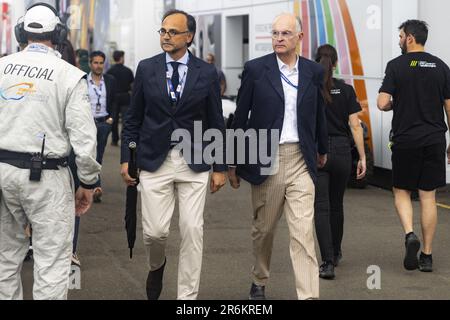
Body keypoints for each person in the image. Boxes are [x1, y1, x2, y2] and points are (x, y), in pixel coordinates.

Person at [120, 9, 227, 300]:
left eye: (173, 32)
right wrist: (127, 157)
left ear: (189, 37)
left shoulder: (206, 73)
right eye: (163, 31)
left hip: (195, 162)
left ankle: (186, 299)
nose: (166, 36)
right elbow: (133, 118)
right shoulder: (146, 68)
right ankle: (157, 265)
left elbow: (216, 121)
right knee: (155, 233)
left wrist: (220, 166)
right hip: (154, 160)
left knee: (193, 230)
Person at [0, 3, 100, 300]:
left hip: (3, 173)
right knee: (52, 262)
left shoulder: (1, 68)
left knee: (4, 260)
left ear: (21, 32)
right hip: (46, 177)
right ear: (58, 34)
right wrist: (88, 182)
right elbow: (84, 138)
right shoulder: (69, 75)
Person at [228, 13, 328, 300]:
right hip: (266, 159)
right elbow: (241, 116)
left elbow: (318, 113)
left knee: (302, 233)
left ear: (299, 37)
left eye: (285, 34)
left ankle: (308, 296)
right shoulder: (256, 69)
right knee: (264, 230)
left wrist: (321, 149)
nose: (279, 39)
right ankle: (259, 277)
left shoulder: (312, 72)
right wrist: (231, 161)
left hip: (300, 159)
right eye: (274, 34)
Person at [378, 20, 450, 273]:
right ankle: (427, 256)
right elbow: (449, 108)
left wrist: (394, 103)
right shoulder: (441, 67)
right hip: (434, 139)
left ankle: (410, 234)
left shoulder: (396, 66)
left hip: (406, 140)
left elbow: (381, 102)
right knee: (428, 195)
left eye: (400, 36)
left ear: (409, 38)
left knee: (401, 191)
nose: (399, 40)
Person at [313, 44, 366, 280]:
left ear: (317, 62)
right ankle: (336, 253)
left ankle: (326, 262)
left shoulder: (311, 88)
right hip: (343, 152)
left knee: (321, 207)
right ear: (334, 64)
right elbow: (355, 125)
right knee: (337, 205)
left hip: (318, 153)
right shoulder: (346, 90)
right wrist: (362, 157)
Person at [87, 51, 117, 203]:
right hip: (87, 123)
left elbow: (114, 101)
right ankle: (92, 186)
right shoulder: (83, 81)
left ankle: (95, 187)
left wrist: (111, 119)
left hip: (104, 123)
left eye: (101, 63)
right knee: (87, 155)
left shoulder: (110, 80)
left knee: (98, 155)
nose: (98, 66)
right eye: (95, 63)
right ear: (90, 64)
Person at [107, 50, 134, 146]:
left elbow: (108, 87)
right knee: (125, 120)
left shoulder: (109, 71)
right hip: (125, 97)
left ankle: (114, 140)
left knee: (113, 120)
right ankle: (124, 140)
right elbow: (132, 86)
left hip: (114, 98)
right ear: (121, 58)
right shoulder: (128, 71)